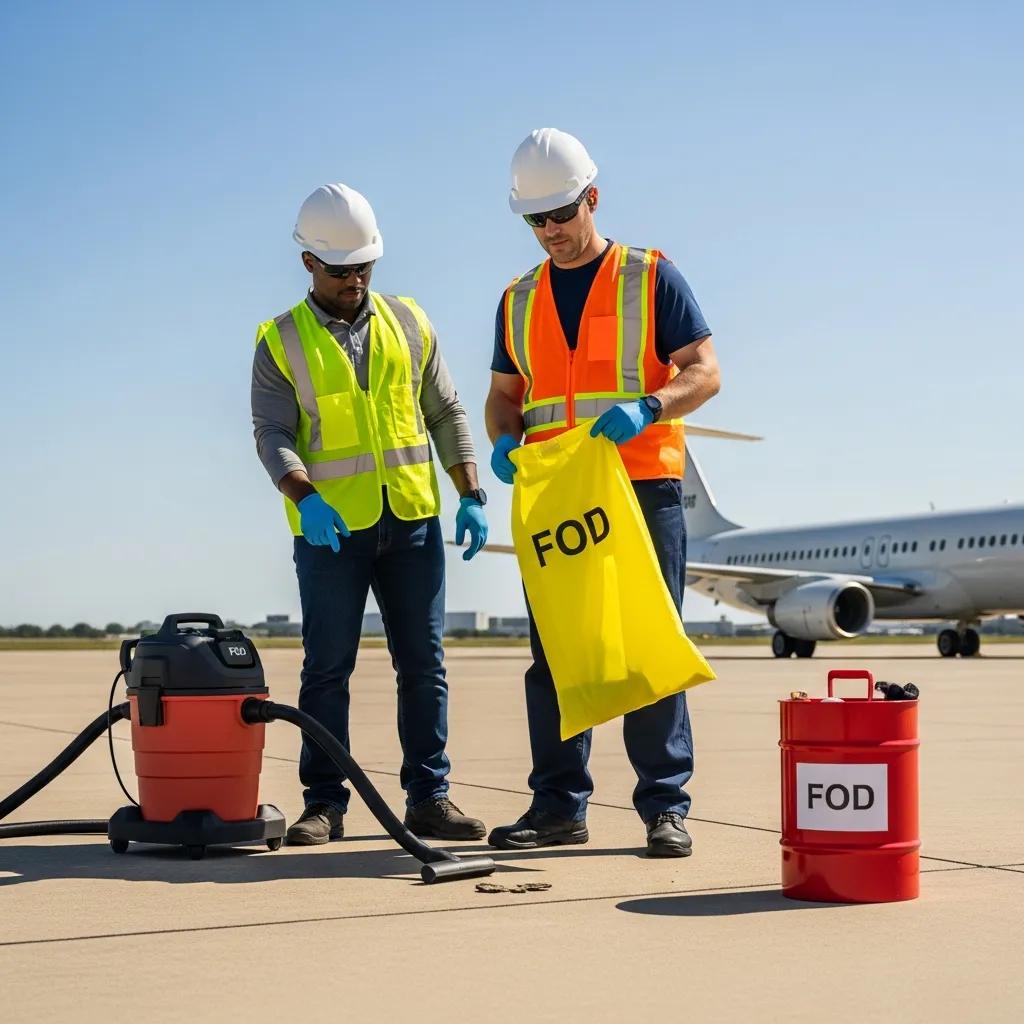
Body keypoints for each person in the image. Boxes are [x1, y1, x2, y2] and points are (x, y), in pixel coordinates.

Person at [484, 130, 721, 857]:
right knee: (557, 652)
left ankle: (664, 807)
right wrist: (501, 439)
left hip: (643, 485)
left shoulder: (652, 276)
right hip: (557, 492)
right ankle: (558, 806)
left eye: (561, 212)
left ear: (592, 198)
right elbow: (504, 395)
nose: (551, 230)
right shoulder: (517, 298)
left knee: (646, 645)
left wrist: (650, 407)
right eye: (536, 220)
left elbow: (704, 371)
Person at [252, 183, 488, 845]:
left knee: (425, 665)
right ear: (308, 263)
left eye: (365, 266)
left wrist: (470, 493)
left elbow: (446, 413)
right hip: (330, 532)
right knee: (328, 668)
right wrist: (306, 498)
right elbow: (272, 435)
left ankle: (429, 799)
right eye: (340, 269)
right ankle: (324, 804)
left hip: (411, 521)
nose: (355, 279)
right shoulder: (279, 340)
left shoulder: (411, 322)